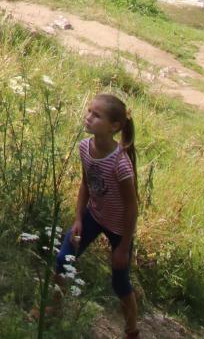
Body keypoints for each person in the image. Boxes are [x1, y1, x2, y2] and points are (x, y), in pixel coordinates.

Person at [53, 92, 139, 338]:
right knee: (63, 259)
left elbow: (132, 208)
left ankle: (132, 330)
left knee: (119, 282)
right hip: (94, 216)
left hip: (120, 228)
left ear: (115, 126)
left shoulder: (120, 164)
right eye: (89, 111)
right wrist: (79, 218)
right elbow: (85, 185)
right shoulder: (85, 148)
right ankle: (54, 309)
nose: (88, 117)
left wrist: (123, 247)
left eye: (96, 115)